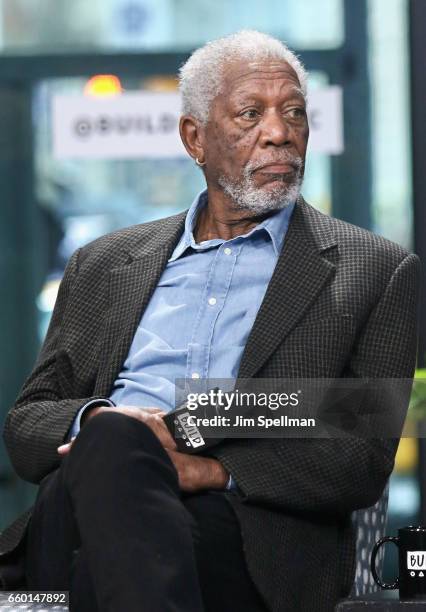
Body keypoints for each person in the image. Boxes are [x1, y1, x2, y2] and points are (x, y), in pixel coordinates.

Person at [0, 30, 420, 612]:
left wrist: (198, 456)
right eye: (251, 114)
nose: (279, 132)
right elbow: (26, 428)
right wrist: (105, 425)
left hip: (248, 538)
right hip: (75, 507)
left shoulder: (374, 271)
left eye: (294, 112)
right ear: (194, 138)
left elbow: (359, 459)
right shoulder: (102, 264)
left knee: (101, 554)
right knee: (114, 445)